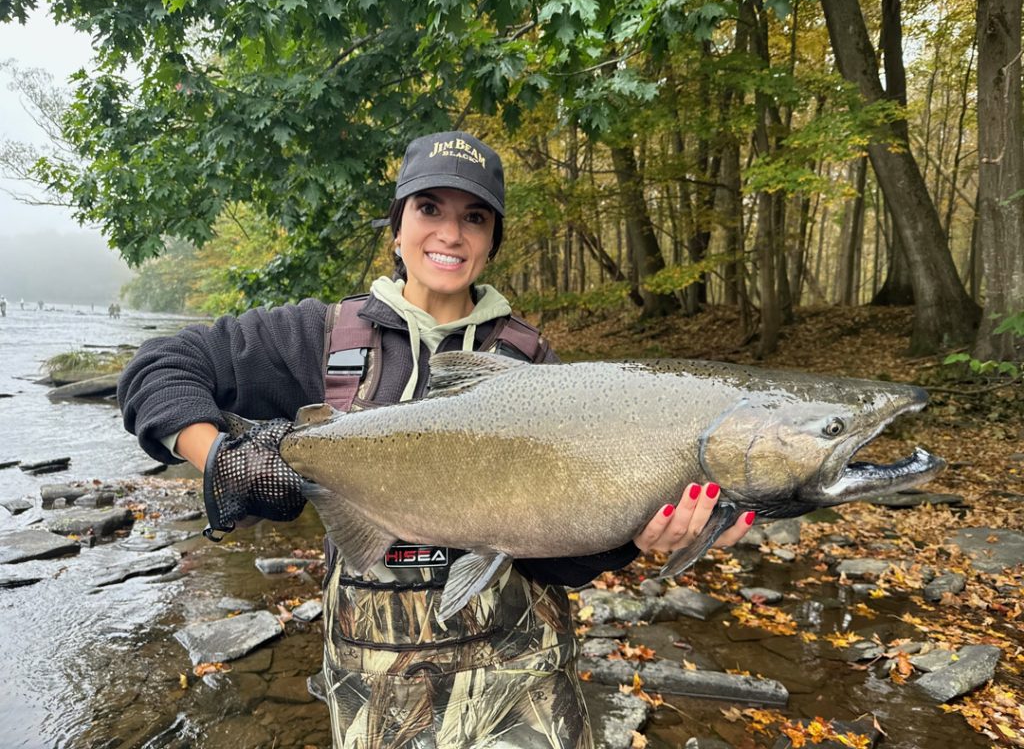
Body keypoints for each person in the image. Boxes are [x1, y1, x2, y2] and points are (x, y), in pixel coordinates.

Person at [117, 130, 754, 748]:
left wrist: (631, 539)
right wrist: (222, 460)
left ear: (491, 243)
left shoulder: (538, 369)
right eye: (429, 209)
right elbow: (159, 368)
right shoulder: (316, 334)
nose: (450, 233)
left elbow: (559, 561)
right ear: (397, 227)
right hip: (374, 690)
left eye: (474, 218)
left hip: (520, 681)